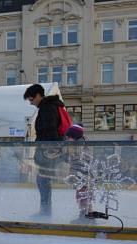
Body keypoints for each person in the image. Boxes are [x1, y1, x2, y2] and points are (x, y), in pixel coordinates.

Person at [24, 84, 63, 216]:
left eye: (31, 99)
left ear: (39, 95)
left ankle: (45, 211)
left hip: (48, 152)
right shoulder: (50, 106)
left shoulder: (47, 107)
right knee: (43, 180)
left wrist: (47, 150)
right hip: (49, 150)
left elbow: (50, 130)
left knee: (43, 181)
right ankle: (45, 210)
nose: (31, 103)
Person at [65, 124, 91, 223]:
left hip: (83, 175)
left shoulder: (79, 146)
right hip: (82, 175)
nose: (67, 139)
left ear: (75, 137)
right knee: (82, 196)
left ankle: (86, 216)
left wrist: (73, 173)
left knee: (83, 196)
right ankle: (85, 215)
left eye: (69, 137)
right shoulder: (79, 144)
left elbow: (78, 162)